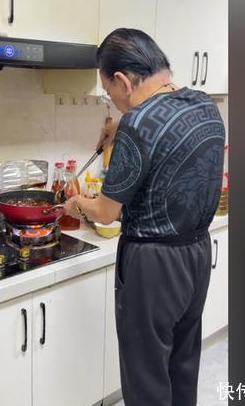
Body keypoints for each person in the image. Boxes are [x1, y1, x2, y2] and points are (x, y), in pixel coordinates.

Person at [63, 28, 225, 406]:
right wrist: (118, 127)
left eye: (109, 92)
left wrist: (76, 204)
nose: (113, 101)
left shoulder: (137, 124)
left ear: (122, 81)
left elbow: (106, 212)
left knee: (146, 377)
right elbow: (163, 126)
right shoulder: (205, 105)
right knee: (182, 363)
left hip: (152, 265)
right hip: (197, 253)